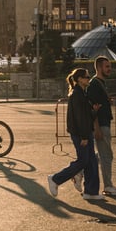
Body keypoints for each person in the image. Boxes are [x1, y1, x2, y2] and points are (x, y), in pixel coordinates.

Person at [46, 68, 103, 200]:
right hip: (81, 133)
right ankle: (55, 179)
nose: (89, 79)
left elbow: (86, 115)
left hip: (85, 131)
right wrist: (84, 136)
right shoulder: (77, 94)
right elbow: (80, 118)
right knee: (84, 160)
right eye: (87, 77)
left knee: (91, 161)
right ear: (79, 79)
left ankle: (91, 192)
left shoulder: (82, 93)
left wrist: (94, 111)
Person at [87, 56, 116, 196]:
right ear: (99, 68)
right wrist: (96, 128)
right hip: (101, 125)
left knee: (102, 154)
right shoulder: (95, 84)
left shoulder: (100, 83)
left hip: (104, 123)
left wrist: (107, 102)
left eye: (110, 66)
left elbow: (99, 103)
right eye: (107, 66)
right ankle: (108, 186)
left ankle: (78, 171)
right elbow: (92, 106)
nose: (110, 69)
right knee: (107, 155)